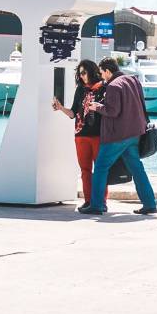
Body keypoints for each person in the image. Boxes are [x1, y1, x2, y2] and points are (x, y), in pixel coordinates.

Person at [78, 57, 157, 215]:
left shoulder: (113, 86)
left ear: (108, 71)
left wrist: (97, 106)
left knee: (100, 167)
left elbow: (112, 111)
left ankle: (97, 205)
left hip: (117, 136)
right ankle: (150, 204)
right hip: (135, 133)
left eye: (102, 73)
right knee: (137, 169)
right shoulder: (133, 80)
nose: (102, 77)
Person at [52, 59, 108, 210]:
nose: (82, 76)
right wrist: (61, 108)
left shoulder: (104, 87)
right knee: (85, 170)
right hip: (80, 135)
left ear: (91, 71)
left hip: (99, 136)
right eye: (80, 74)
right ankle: (89, 201)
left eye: (84, 73)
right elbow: (73, 114)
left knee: (101, 169)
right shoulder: (80, 89)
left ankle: (101, 202)